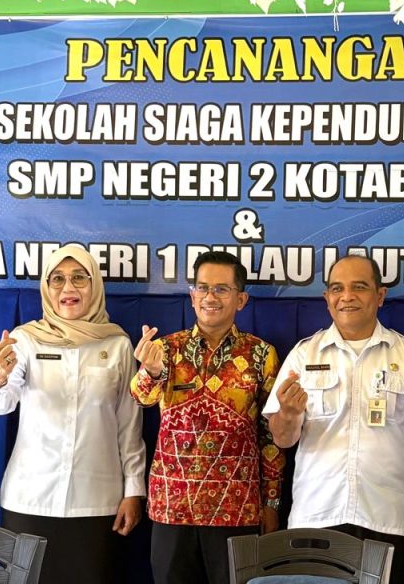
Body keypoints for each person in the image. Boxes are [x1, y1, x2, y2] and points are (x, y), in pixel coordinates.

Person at [265, 254, 404, 584]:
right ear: (327, 298)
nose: (347, 296)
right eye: (337, 288)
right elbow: (282, 439)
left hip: (386, 520)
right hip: (315, 518)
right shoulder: (304, 354)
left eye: (359, 287)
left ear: (380, 295)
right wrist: (288, 412)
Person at [0, 245, 147, 584]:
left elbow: (129, 426)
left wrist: (134, 490)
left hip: (97, 501)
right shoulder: (25, 340)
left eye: (79, 278)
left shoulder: (117, 344)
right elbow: (0, 405)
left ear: (94, 285)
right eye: (57, 279)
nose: (68, 288)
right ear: (46, 287)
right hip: (30, 500)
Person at [131, 250, 285, 584]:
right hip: (173, 508)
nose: (209, 297)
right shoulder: (166, 349)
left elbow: (270, 436)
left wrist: (272, 502)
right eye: (202, 288)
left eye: (221, 289)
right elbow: (141, 397)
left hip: (237, 510)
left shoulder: (261, 354)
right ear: (192, 296)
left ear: (241, 299)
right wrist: (151, 371)